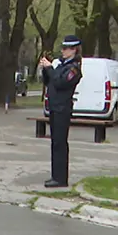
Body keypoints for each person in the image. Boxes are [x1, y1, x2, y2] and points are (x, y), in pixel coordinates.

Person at [40, 36, 83, 188]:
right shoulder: (62, 65)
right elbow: (50, 81)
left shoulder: (74, 69)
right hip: (54, 107)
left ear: (74, 50)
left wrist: (50, 68)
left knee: (60, 143)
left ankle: (60, 178)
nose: (63, 51)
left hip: (62, 109)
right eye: (63, 48)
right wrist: (46, 69)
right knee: (55, 142)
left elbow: (60, 82)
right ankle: (55, 176)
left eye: (66, 48)